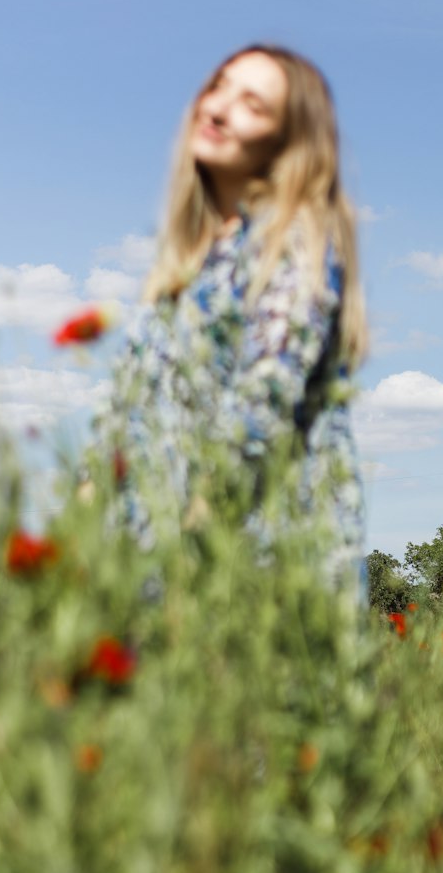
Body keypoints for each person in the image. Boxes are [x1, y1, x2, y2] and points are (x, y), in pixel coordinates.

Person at [90, 43, 367, 593]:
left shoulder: (293, 241)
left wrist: (190, 549)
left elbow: (260, 407)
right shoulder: (184, 266)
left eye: (253, 105)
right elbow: (120, 424)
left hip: (253, 568)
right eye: (218, 86)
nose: (216, 108)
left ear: (288, 144)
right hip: (149, 565)